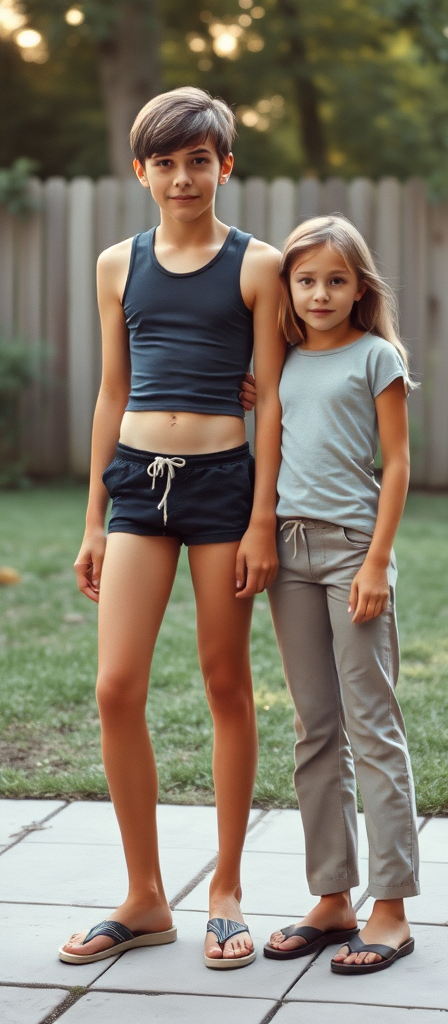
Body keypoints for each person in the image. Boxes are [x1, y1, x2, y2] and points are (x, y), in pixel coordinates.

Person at [58, 87, 283, 970]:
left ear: (225, 166)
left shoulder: (258, 265)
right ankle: (146, 898)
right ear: (139, 167)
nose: (182, 176)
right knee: (117, 687)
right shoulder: (118, 262)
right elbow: (112, 391)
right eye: (165, 161)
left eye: (199, 160)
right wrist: (92, 520)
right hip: (136, 491)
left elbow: (271, 403)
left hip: (226, 487)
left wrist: (261, 516)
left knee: (226, 683)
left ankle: (224, 887)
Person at [263, 215, 420, 975]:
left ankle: (390, 907)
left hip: (354, 552)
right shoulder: (283, 361)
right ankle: (332, 898)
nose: (320, 293)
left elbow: (396, 464)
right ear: (288, 288)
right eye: (306, 279)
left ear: (361, 287)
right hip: (288, 553)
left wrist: (378, 562)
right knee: (314, 729)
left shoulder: (376, 357)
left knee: (372, 726)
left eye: (336, 279)